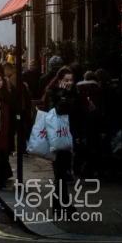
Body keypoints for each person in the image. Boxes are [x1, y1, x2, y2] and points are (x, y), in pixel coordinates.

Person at [44, 67, 78, 214]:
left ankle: (58, 205)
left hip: (69, 135)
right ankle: (64, 205)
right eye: (66, 80)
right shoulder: (52, 92)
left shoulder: (74, 92)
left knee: (63, 172)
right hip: (57, 136)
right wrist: (63, 96)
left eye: (71, 80)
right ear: (59, 80)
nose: (69, 83)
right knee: (61, 171)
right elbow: (54, 112)